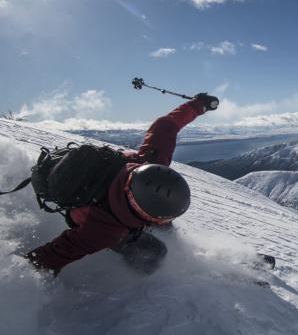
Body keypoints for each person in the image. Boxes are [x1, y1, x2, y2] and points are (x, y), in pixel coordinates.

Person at [25, 93, 219, 276]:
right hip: (93, 208)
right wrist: (17, 276)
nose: (161, 220)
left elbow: (165, 126)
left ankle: (162, 227)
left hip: (109, 187)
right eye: (157, 218)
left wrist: (198, 104)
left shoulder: (151, 162)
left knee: (165, 225)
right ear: (142, 212)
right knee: (155, 252)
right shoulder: (106, 230)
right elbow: (56, 253)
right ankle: (141, 280)